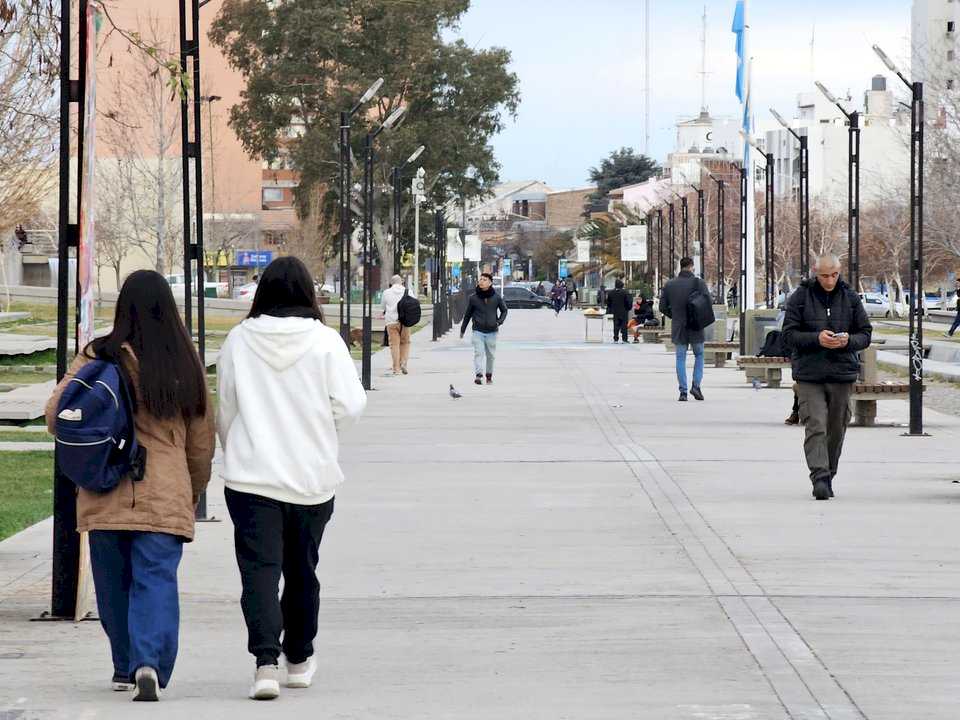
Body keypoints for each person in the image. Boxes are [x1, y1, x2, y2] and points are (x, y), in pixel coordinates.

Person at [44, 270, 215, 701]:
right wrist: (193, 489)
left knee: (113, 583)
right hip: (165, 489)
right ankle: (148, 663)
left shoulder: (97, 355)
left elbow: (55, 414)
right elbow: (201, 440)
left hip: (106, 488)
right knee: (155, 580)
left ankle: (124, 665)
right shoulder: (183, 360)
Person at [217, 256, 367, 700]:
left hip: (251, 478)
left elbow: (226, 407)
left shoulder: (239, 341)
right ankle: (298, 658)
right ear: (308, 292)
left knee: (259, 572)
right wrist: (324, 429)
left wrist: (237, 445)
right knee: (303, 570)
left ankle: (265, 664)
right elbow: (352, 404)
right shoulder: (326, 342)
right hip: (310, 475)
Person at [782, 254, 872, 500]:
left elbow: (865, 334)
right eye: (824, 275)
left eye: (834, 275)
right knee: (816, 424)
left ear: (839, 271)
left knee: (836, 427)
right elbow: (788, 335)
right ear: (815, 272)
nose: (830, 280)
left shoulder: (851, 298)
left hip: (842, 373)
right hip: (810, 374)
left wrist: (847, 341)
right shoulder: (800, 297)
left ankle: (830, 473)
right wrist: (816, 338)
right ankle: (819, 477)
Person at [660, 257, 711, 402]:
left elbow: (662, 307)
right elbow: (708, 302)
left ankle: (683, 392)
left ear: (680, 267)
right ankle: (696, 386)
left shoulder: (670, 284)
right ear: (692, 267)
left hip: (679, 326)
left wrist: (675, 315)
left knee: (680, 358)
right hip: (696, 326)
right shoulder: (699, 283)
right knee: (699, 355)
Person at [460, 272, 508, 385]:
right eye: (480, 279)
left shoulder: (496, 297)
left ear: (490, 282)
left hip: (492, 331)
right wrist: (462, 330)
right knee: (478, 352)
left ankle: (489, 375)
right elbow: (467, 315)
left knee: (490, 355)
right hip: (478, 330)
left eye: (484, 279)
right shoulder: (473, 298)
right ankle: (478, 374)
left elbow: (504, 310)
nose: (481, 281)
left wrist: (499, 322)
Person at [381, 274, 411, 376]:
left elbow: (383, 306)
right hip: (405, 322)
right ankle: (403, 362)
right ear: (401, 282)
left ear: (391, 283)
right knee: (405, 343)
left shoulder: (386, 293)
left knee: (394, 345)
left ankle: (396, 369)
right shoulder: (408, 291)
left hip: (391, 322)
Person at [606, 279, 632, 343]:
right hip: (624, 311)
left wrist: (611, 308)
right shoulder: (625, 292)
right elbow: (629, 302)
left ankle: (615, 339)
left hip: (615, 311)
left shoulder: (611, 292)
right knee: (624, 326)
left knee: (616, 325)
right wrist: (628, 308)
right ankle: (624, 339)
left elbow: (608, 302)